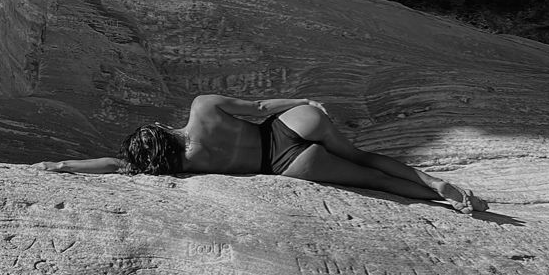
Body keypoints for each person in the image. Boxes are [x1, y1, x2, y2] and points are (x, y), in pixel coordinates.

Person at [32, 95, 489, 214]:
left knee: (375, 184)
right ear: (159, 129)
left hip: (287, 165)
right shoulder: (201, 107)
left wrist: (63, 166)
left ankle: (446, 200)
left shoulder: (182, 166)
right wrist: (304, 103)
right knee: (366, 156)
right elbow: (258, 109)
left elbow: (118, 166)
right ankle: (433, 181)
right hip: (287, 127)